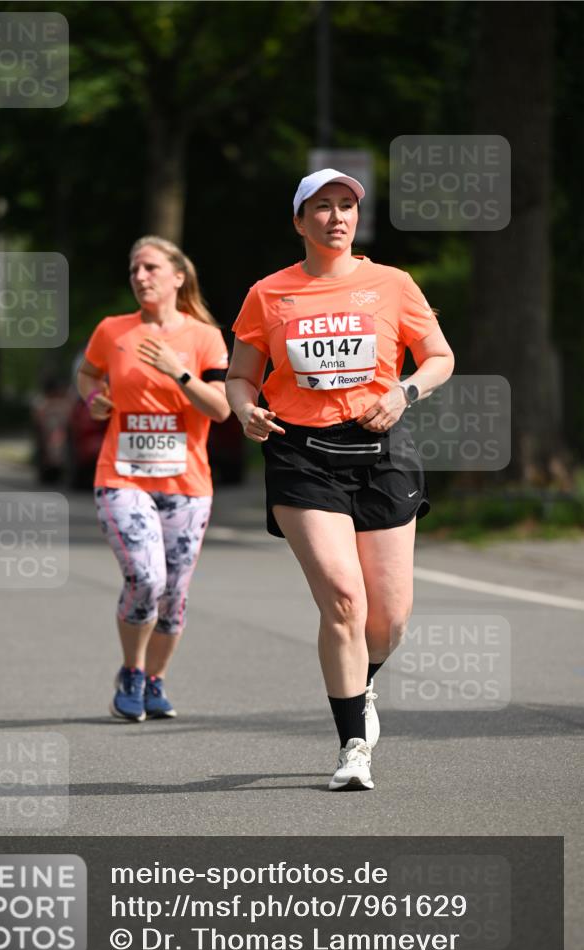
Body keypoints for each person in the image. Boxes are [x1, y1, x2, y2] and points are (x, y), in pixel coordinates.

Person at [226, 168, 455, 790]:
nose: (336, 217)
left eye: (346, 206)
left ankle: (363, 681)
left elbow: (440, 358)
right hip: (301, 454)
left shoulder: (393, 284)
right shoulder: (269, 294)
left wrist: (404, 391)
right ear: (299, 221)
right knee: (345, 600)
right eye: (321, 207)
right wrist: (245, 408)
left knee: (391, 617)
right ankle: (353, 745)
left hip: (382, 448)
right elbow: (241, 376)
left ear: (358, 219)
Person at [77, 236, 230, 722]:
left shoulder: (204, 337)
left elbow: (223, 409)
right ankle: (132, 671)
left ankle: (156, 680)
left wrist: (179, 373)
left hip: (187, 485)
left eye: (150, 268)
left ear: (177, 277)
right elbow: (87, 374)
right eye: (134, 270)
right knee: (146, 578)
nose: (140, 277)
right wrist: (92, 398)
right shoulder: (112, 330)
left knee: (174, 595)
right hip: (122, 477)